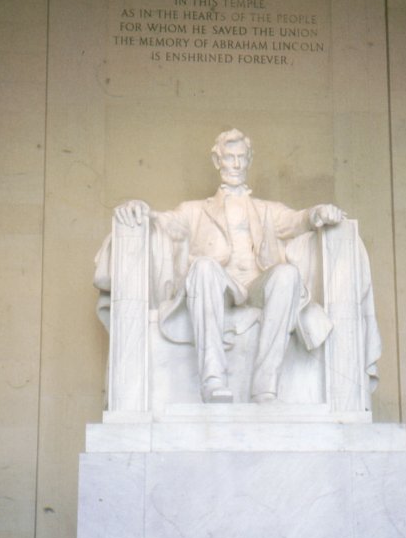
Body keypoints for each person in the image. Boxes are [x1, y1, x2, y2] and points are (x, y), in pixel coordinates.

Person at [109, 128, 349, 403]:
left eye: (241, 158)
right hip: (220, 286)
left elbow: (297, 220)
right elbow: (168, 222)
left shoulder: (268, 210)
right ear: (216, 160)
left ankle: (265, 385)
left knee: (287, 274)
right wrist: (143, 210)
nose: (235, 164)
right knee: (203, 267)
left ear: (249, 160)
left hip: (258, 286)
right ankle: (213, 379)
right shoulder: (194, 209)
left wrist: (317, 213)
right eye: (229, 157)